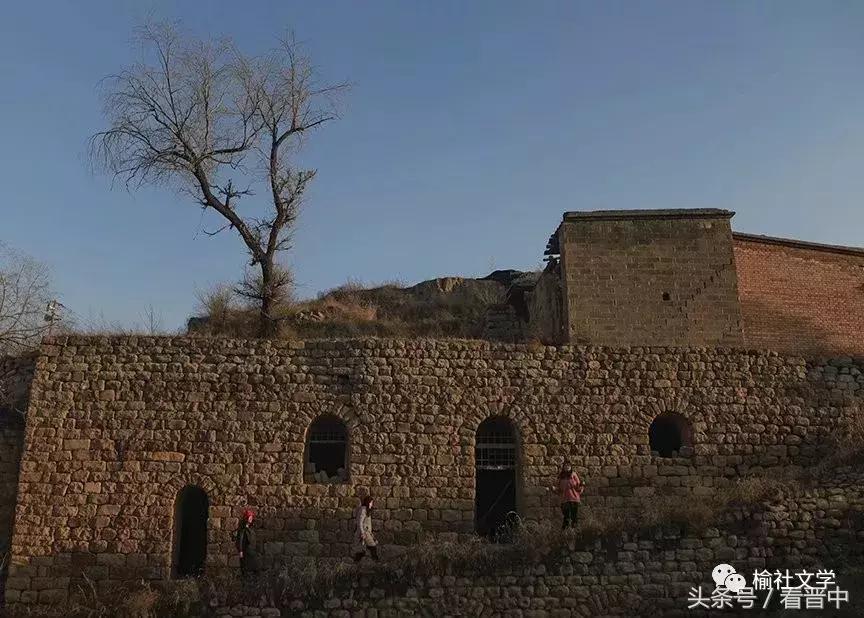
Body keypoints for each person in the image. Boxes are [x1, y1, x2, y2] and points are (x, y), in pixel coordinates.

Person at [557, 463, 584, 530]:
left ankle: (574, 531)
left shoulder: (574, 475)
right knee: (566, 517)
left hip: (573, 499)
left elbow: (578, 487)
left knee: (574, 516)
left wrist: (582, 485)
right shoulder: (561, 476)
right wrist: (553, 488)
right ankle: (564, 533)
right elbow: (559, 489)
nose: (567, 467)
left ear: (571, 467)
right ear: (563, 467)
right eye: (565, 466)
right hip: (564, 499)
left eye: (568, 465)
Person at [352, 496, 379, 562]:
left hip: (366, 532)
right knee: (372, 546)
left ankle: (355, 564)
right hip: (364, 532)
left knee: (361, 550)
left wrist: (371, 534)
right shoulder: (363, 510)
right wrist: (362, 533)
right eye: (371, 502)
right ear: (368, 502)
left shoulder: (366, 510)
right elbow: (360, 522)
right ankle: (376, 562)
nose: (372, 504)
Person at [235, 508, 257, 576]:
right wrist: (241, 551)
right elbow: (240, 540)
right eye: (249, 517)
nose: (250, 519)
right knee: (245, 567)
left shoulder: (251, 528)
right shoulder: (243, 529)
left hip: (252, 551)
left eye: (251, 517)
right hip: (246, 551)